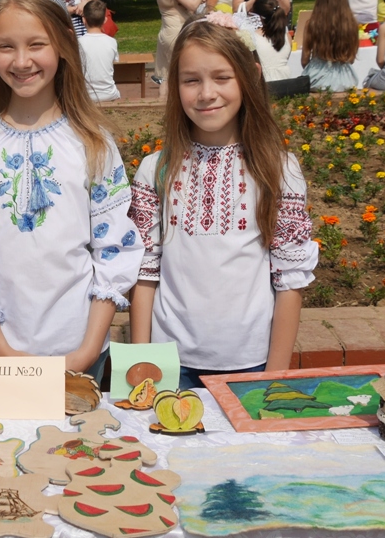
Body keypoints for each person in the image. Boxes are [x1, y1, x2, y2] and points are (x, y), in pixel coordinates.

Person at [0, 0, 143, 382]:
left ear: (63, 44)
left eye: (36, 44)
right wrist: (2, 352)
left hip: (78, 350)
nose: (22, 61)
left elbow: (114, 247)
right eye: (6, 46)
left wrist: (87, 350)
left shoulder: (93, 144)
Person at [128, 19, 317, 389]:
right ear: (174, 84)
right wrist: (141, 362)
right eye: (191, 80)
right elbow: (145, 272)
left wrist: (274, 379)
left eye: (222, 77)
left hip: (251, 364)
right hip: (169, 364)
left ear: (251, 76)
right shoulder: (155, 169)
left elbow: (290, 280)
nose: (206, 93)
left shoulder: (278, 169)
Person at [155, 0, 209, 85]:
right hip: (176, 32)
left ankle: (163, 98)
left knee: (166, 76)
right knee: (179, 76)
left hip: (168, 30)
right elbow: (192, 6)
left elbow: (182, 3)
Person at [301, 0, 359, 91]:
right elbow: (351, 59)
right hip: (345, 79)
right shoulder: (351, 24)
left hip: (317, 78)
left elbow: (304, 60)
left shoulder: (311, 24)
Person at [79, 0, 120, 102]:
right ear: (105, 20)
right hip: (109, 94)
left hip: (85, 96)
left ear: (84, 20)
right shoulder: (112, 42)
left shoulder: (77, 43)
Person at [251, 0, 292, 82]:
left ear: (259, 17)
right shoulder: (287, 36)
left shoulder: (253, 38)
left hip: (265, 83)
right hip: (286, 82)